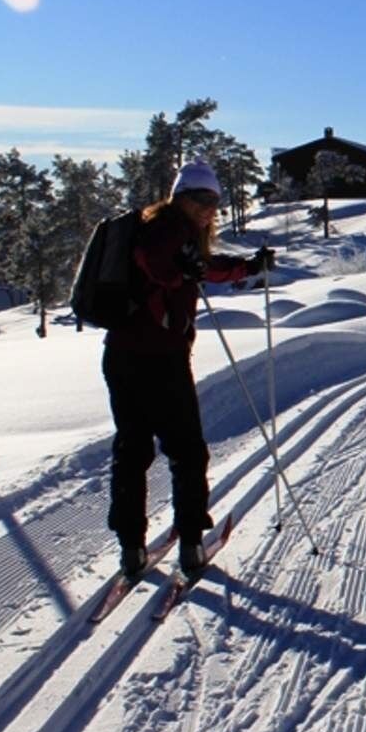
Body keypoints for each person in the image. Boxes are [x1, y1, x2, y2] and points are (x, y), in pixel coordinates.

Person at [104, 159, 276, 579]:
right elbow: (161, 264)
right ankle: (191, 545)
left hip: (122, 355)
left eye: (214, 201)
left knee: (133, 450)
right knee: (185, 451)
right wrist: (186, 267)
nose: (208, 208)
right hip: (159, 360)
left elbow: (200, 266)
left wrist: (247, 268)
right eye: (200, 199)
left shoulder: (169, 232)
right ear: (180, 197)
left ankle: (132, 548)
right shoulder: (165, 229)